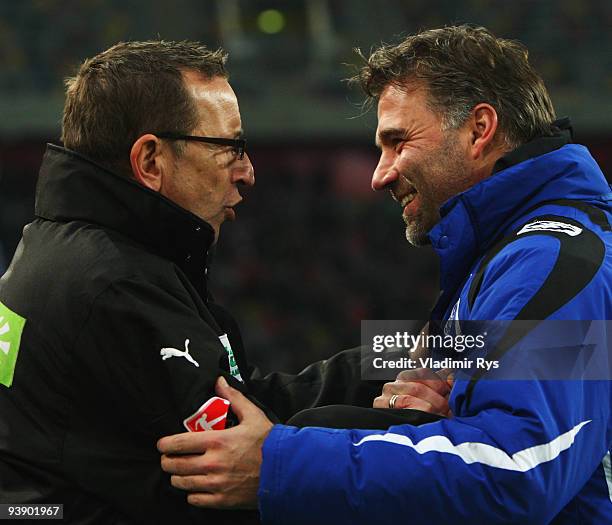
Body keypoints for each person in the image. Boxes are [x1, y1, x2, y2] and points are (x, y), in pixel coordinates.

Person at [158, 26, 612, 524]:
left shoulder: (554, 258)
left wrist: (279, 462)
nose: (380, 174)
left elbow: (521, 467)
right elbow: (494, 352)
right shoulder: (517, 249)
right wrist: (413, 364)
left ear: (479, 129)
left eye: (397, 142)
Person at [0, 39, 436, 524]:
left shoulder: (68, 249)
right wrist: (412, 419)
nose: (247, 173)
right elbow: (239, 474)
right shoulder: (116, 288)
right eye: (229, 148)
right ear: (150, 161)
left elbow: (253, 408)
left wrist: (405, 351)